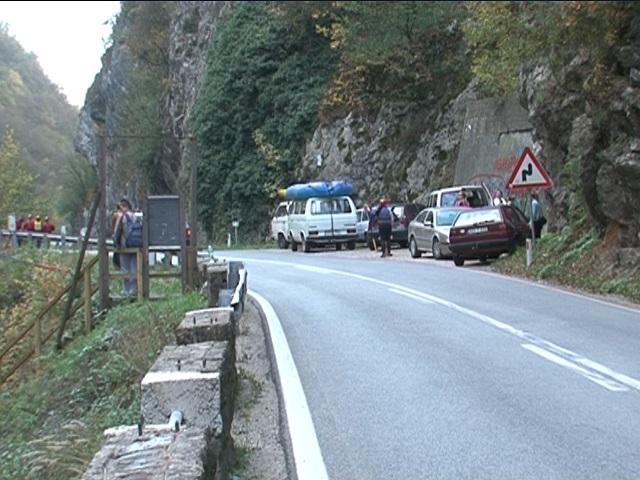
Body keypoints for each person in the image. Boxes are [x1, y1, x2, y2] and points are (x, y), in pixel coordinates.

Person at [113, 198, 139, 297]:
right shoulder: (136, 216)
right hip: (136, 245)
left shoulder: (121, 217)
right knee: (134, 269)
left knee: (125, 269)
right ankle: (135, 290)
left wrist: (116, 245)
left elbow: (117, 232)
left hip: (125, 246)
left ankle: (126, 291)